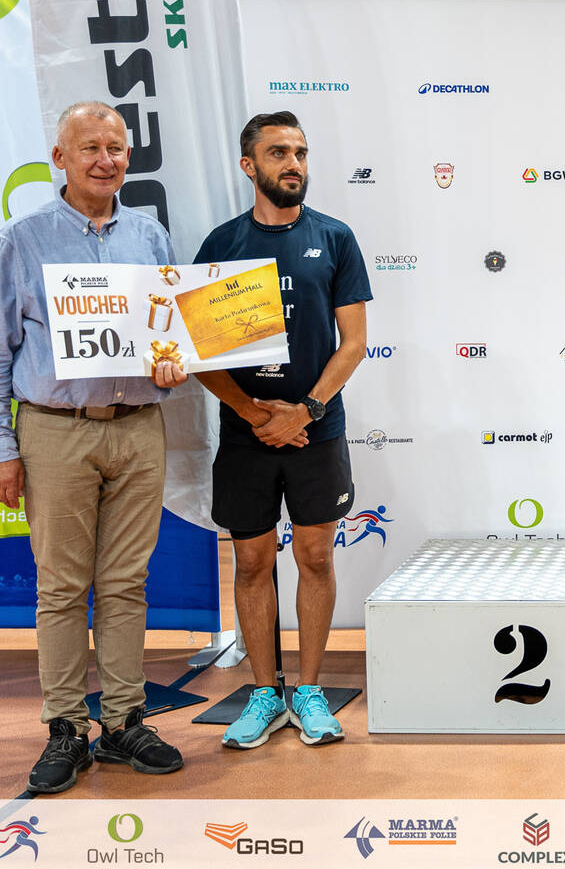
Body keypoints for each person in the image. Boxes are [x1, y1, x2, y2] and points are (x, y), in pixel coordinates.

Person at [0, 101, 187, 794]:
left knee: (125, 583)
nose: (104, 159)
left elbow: (169, 333)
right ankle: (65, 726)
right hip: (54, 430)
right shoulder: (22, 238)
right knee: (61, 587)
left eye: (115, 147)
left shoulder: (150, 236)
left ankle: (122, 721)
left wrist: (173, 363)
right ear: (59, 158)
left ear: (128, 157)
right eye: (89, 147)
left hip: (138, 427)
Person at [194, 111, 370, 749]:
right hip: (248, 436)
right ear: (249, 166)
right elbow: (200, 354)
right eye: (278, 153)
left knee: (315, 557)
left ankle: (311, 691)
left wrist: (305, 411)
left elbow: (354, 343)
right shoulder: (221, 245)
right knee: (250, 561)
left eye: (300, 152)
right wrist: (255, 414)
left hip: (316, 431)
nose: (293, 163)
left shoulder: (335, 237)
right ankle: (264, 693)